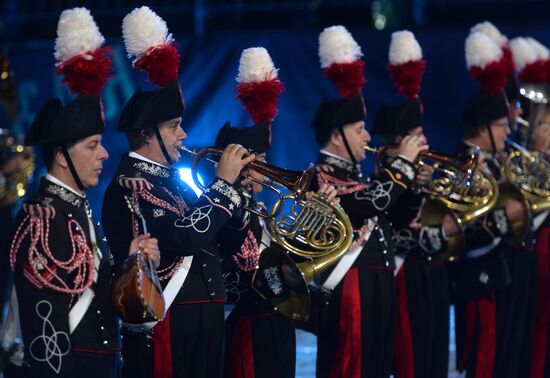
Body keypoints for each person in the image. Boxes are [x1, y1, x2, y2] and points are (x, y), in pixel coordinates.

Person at [7, 94, 159, 378]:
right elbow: (45, 329)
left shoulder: (76, 208)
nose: (104, 153)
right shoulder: (42, 217)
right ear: (62, 156)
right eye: (92, 146)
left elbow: (87, 289)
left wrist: (130, 262)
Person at [452, 90, 535, 378]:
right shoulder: (462, 164)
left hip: (505, 272)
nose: (508, 130)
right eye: (501, 124)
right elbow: (462, 229)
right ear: (482, 126)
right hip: (480, 277)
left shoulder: (495, 161)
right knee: (484, 360)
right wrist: (505, 216)